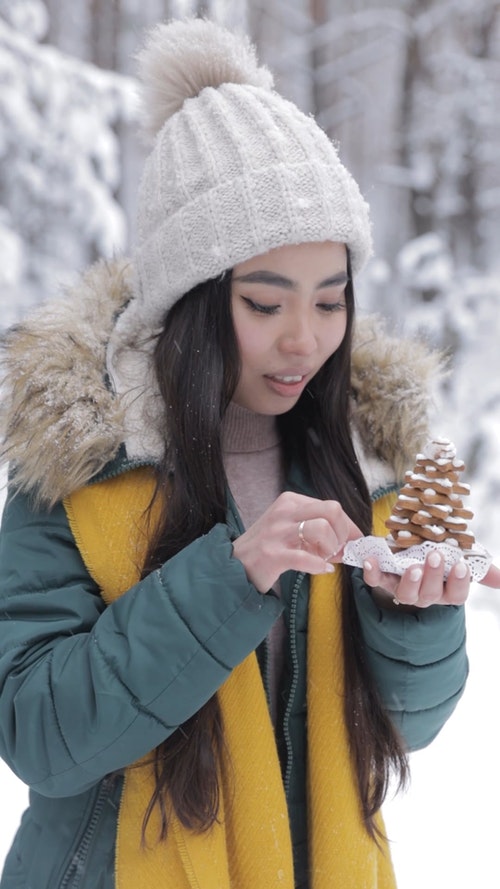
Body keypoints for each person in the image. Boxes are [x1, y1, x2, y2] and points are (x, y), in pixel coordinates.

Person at [0, 17, 498, 889]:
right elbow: (42, 736)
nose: (304, 340)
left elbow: (400, 730)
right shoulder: (81, 465)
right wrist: (231, 577)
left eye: (331, 300)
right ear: (188, 302)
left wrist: (413, 618)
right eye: (265, 304)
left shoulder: (360, 459)